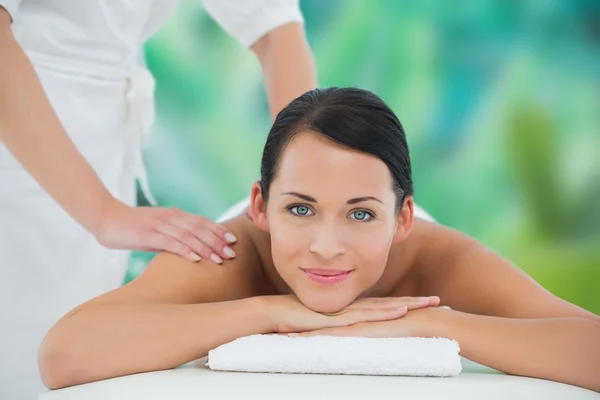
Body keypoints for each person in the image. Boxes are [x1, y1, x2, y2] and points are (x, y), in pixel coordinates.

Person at [39, 87, 600, 393]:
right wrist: (269, 311)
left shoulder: (439, 256)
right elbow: (63, 354)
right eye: (300, 209)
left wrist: (431, 323)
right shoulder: (227, 255)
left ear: (403, 217)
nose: (325, 246)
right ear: (260, 206)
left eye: (359, 215)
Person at [0, 1, 317, 399]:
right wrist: (101, 211)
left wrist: (300, 175)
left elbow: (275, 29)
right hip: (22, 134)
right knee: (25, 361)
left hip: (104, 133)